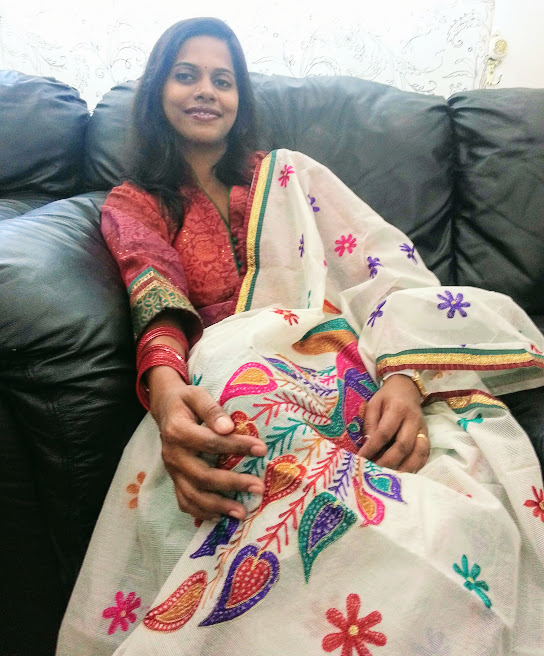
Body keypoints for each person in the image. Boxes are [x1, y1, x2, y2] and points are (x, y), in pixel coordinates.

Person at [57, 17, 544, 656]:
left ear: (240, 99)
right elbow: (156, 294)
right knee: (244, 429)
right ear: (156, 91)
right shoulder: (135, 202)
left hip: (336, 351)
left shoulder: (290, 175)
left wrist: (403, 376)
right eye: (186, 75)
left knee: (456, 491)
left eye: (223, 80)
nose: (205, 91)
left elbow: (381, 271)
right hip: (229, 368)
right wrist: (168, 393)